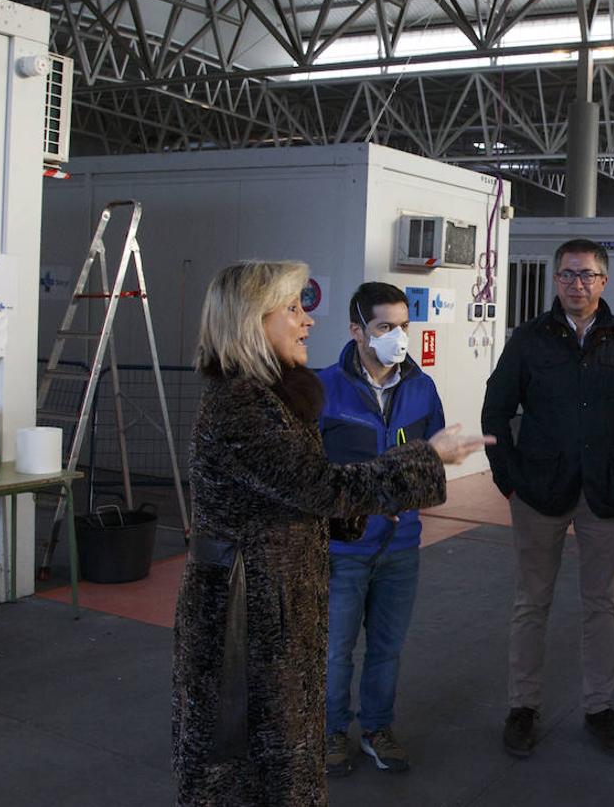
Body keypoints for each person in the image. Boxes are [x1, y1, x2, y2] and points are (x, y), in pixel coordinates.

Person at [172, 260, 490, 807]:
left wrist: (371, 501)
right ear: (252, 321)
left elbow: (301, 496)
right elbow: (319, 487)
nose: (306, 320)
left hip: (274, 600)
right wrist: (424, 460)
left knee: (273, 748)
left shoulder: (270, 398)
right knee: (248, 758)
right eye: (293, 308)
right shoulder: (244, 406)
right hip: (247, 613)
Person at [481, 238, 614, 759]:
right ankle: (523, 706)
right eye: (566, 275)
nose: (576, 284)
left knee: (600, 603)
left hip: (608, 494)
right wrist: (508, 481)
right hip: (537, 493)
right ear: (555, 280)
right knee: (530, 602)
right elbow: (496, 411)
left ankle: (598, 707)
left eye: (586, 275)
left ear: (604, 282)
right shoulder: (529, 339)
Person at [317, 282, 443, 777]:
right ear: (356, 331)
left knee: (387, 648)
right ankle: (328, 731)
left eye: (403, 327)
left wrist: (409, 498)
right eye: (385, 327)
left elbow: (431, 464)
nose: (398, 338)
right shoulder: (324, 389)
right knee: (335, 649)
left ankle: (377, 728)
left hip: (401, 546)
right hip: (343, 549)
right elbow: (311, 474)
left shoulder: (421, 388)